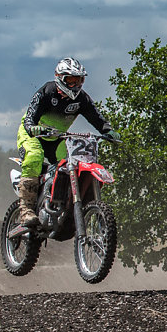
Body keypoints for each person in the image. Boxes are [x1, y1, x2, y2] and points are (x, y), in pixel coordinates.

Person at [15, 57, 115, 226]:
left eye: (79, 80)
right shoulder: (47, 92)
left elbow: (96, 118)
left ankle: (65, 205)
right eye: (71, 80)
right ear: (59, 78)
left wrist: (109, 131)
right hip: (32, 135)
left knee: (71, 165)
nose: (75, 85)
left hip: (58, 137)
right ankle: (26, 211)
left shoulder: (81, 99)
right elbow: (30, 116)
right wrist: (33, 127)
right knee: (34, 157)